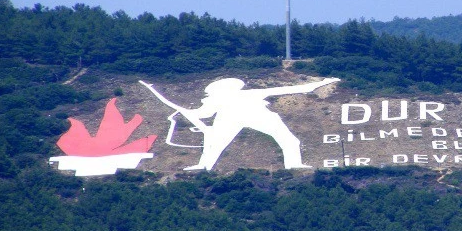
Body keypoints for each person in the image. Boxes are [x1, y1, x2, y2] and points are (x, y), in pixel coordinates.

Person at [140, 77, 339, 170]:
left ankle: (294, 165)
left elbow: (295, 89)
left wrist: (321, 83)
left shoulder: (248, 94)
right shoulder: (218, 100)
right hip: (230, 119)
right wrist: (189, 112)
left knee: (290, 141)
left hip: (260, 117)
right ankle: (203, 166)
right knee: (213, 146)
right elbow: (201, 113)